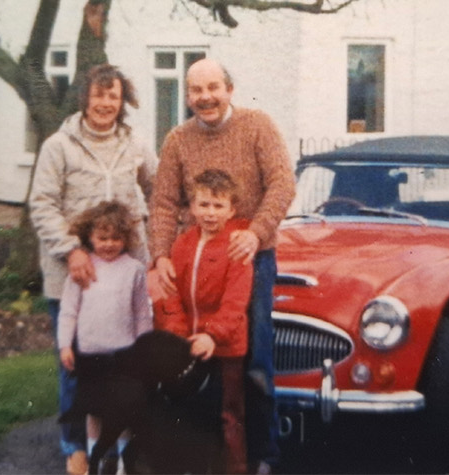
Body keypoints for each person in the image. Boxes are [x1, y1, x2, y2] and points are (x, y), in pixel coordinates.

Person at [147, 58, 296, 474]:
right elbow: (162, 202)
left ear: (229, 89)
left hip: (251, 256)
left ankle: (262, 455)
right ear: (188, 96)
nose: (205, 97)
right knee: (192, 353)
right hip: (195, 258)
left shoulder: (257, 126)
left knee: (254, 358)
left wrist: (257, 232)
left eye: (213, 87)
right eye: (196, 90)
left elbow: (283, 182)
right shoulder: (177, 140)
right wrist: (160, 255)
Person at [30, 63, 159, 475]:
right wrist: (71, 250)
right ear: (85, 97)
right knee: (76, 367)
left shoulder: (136, 143)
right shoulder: (58, 145)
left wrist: (156, 251)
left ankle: (125, 445)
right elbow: (42, 204)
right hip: (74, 275)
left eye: (113, 96)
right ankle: (76, 447)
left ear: (123, 101)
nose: (105, 103)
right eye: (99, 94)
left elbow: (159, 193)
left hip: (124, 278)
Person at [152, 169, 254, 474]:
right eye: (204, 205)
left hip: (224, 349)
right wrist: (179, 336)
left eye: (219, 206)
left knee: (228, 416)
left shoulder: (235, 246)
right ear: (192, 208)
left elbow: (236, 302)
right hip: (188, 346)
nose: (211, 213)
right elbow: (170, 295)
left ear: (232, 210)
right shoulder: (182, 244)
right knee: (189, 413)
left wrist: (213, 335)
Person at [55, 201, 153, 473]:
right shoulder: (83, 269)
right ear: (90, 237)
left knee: (122, 411)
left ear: (126, 238)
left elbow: (142, 313)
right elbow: (68, 312)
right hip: (90, 354)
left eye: (116, 238)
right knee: (94, 410)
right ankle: (94, 459)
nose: (109, 244)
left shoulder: (133, 269)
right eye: (102, 238)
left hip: (124, 354)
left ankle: (124, 462)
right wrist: (65, 345)